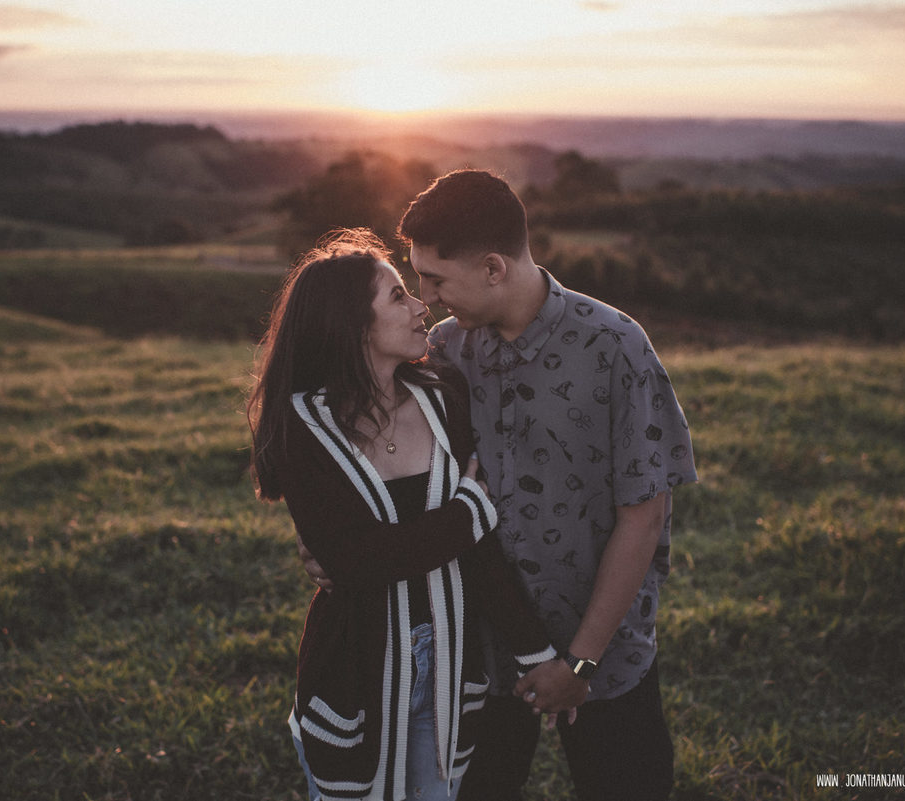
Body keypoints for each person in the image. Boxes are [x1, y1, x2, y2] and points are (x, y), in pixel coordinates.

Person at [395, 169, 700, 801]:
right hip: (484, 645)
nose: (424, 297)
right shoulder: (444, 351)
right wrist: (332, 544)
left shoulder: (615, 346)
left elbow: (642, 517)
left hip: (605, 650)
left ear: (493, 268)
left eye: (436, 279)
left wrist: (580, 662)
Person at [247, 228, 558, 801]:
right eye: (398, 296)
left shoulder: (444, 396)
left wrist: (535, 652)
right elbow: (355, 563)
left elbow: (478, 553)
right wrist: (467, 514)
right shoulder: (303, 427)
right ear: (352, 325)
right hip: (355, 672)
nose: (422, 306)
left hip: (449, 664)